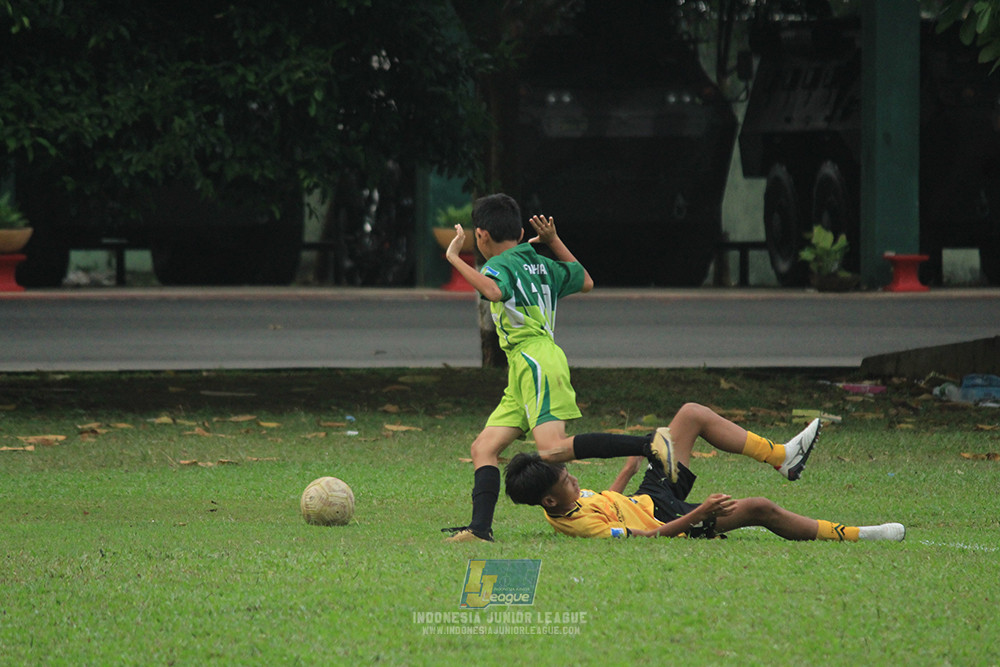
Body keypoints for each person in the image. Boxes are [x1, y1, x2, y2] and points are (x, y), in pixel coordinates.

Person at [440, 194, 818, 544]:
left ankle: (649, 444)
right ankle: (480, 529)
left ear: (481, 235)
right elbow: (585, 280)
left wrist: (455, 258)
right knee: (483, 447)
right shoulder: (538, 262)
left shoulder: (497, 266)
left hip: (534, 358)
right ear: (522, 234)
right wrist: (554, 241)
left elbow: (492, 291)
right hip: (525, 365)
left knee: (552, 450)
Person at [504, 402, 905, 542]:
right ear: (549, 499)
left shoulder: (563, 500)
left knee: (690, 414)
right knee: (760, 508)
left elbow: (609, 505)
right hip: (670, 518)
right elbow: (648, 537)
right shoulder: (577, 526)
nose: (574, 478)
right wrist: (701, 513)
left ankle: (781, 456)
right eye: (567, 479)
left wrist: (626, 471)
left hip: (650, 497)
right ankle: (860, 534)